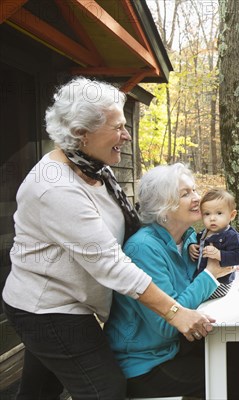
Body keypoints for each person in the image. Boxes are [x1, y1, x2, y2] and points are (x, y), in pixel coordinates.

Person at [1, 77, 217, 400]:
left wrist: (184, 242)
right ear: (81, 133)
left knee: (39, 391)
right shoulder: (55, 189)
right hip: (48, 308)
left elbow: (132, 229)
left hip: (73, 301)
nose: (127, 135)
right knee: (106, 390)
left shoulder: (94, 166)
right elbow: (112, 264)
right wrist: (175, 312)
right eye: (117, 127)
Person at [105, 164, 239, 399]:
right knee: (234, 383)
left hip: (179, 346)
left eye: (194, 190)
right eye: (185, 194)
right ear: (162, 207)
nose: (197, 198)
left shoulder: (190, 238)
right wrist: (211, 274)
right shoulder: (143, 249)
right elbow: (168, 325)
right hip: (148, 362)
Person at [189, 188, 239, 299]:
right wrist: (191, 247)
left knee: (195, 298)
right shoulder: (203, 233)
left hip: (220, 283)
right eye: (207, 214)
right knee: (189, 291)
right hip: (203, 277)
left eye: (219, 213)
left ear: (232, 215)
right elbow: (198, 244)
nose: (212, 218)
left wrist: (219, 254)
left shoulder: (230, 236)